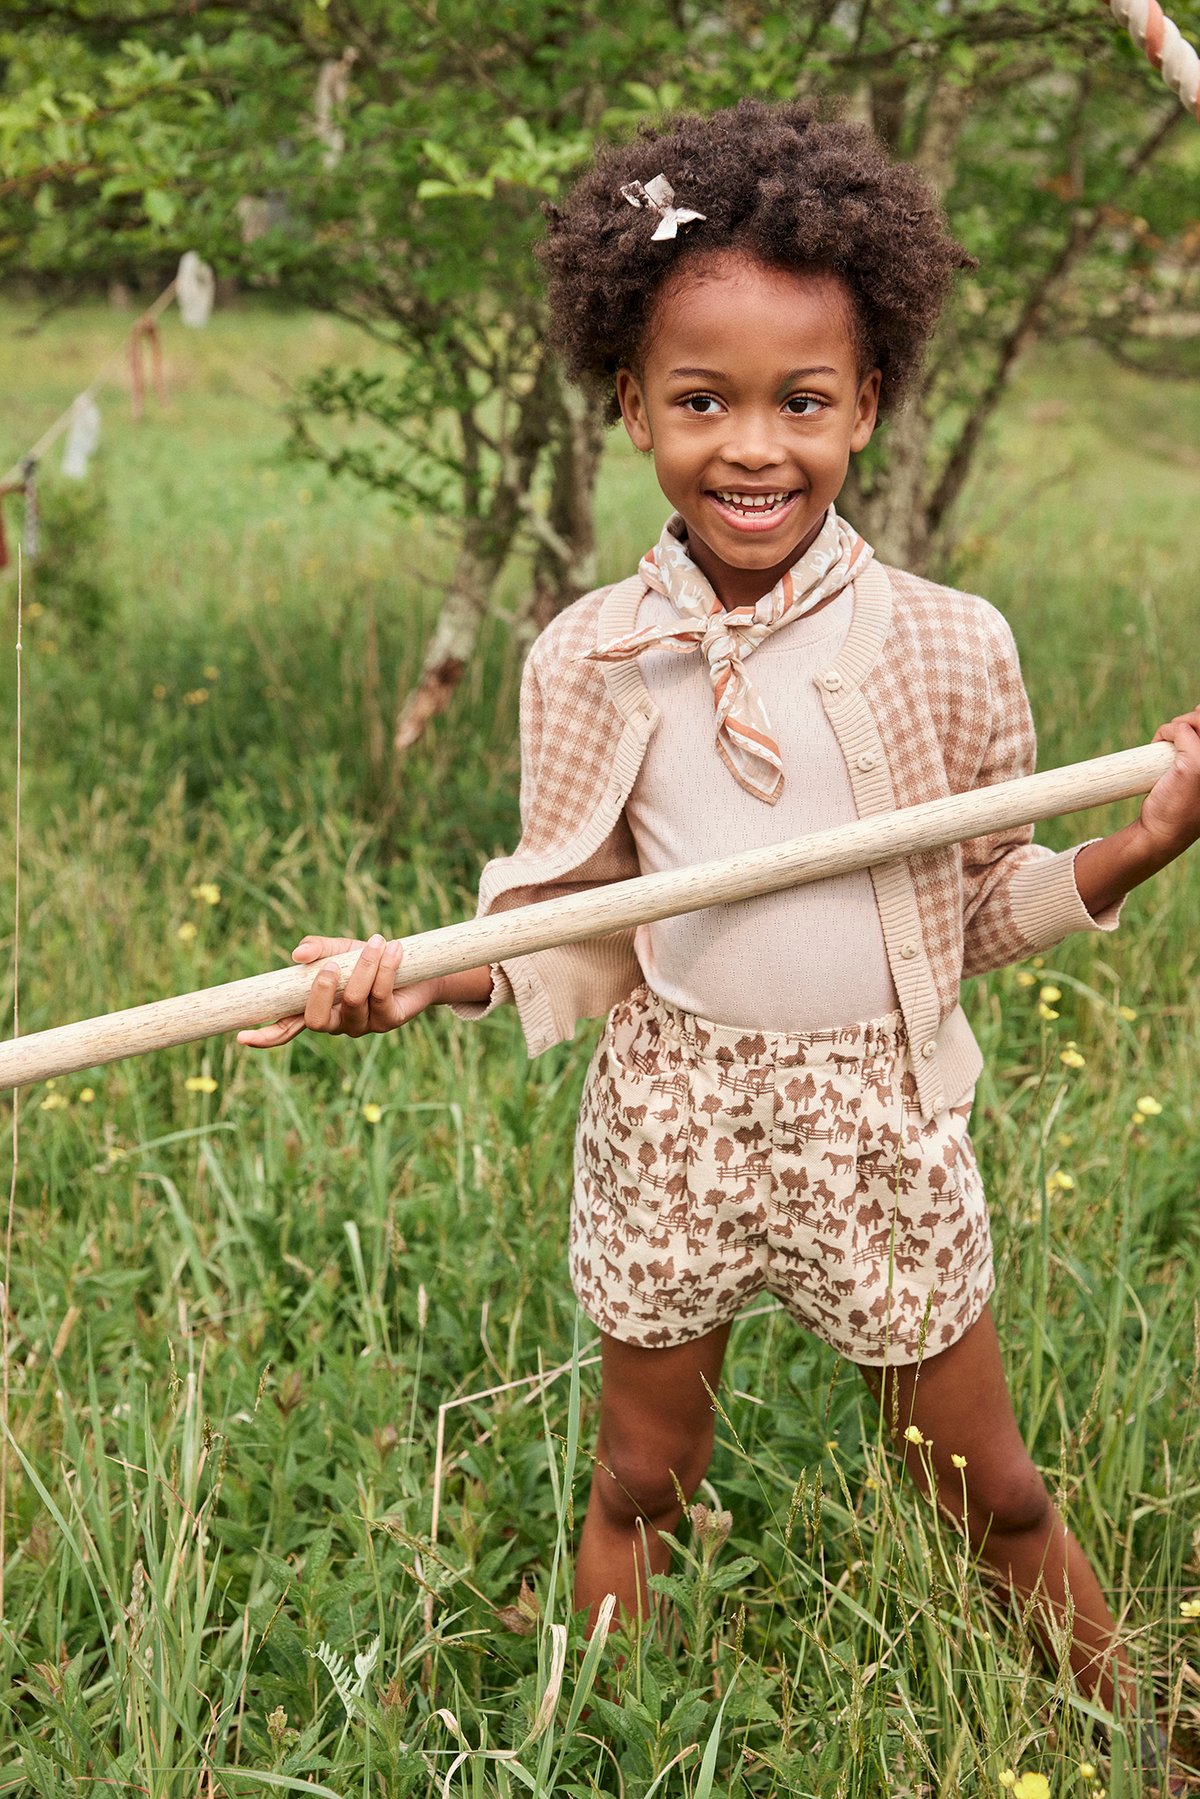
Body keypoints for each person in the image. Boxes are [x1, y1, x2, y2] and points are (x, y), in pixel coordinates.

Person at [240, 99, 1200, 1788]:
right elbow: (555, 928)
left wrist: (1142, 842)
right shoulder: (589, 660)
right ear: (630, 405)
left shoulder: (949, 649)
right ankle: (604, 1749)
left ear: (868, 406)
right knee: (642, 1477)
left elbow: (984, 909)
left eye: (801, 403)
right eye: (703, 402)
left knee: (993, 1487)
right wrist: (399, 978)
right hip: (675, 1115)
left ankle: (1133, 1740)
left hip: (876, 1123)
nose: (753, 447)